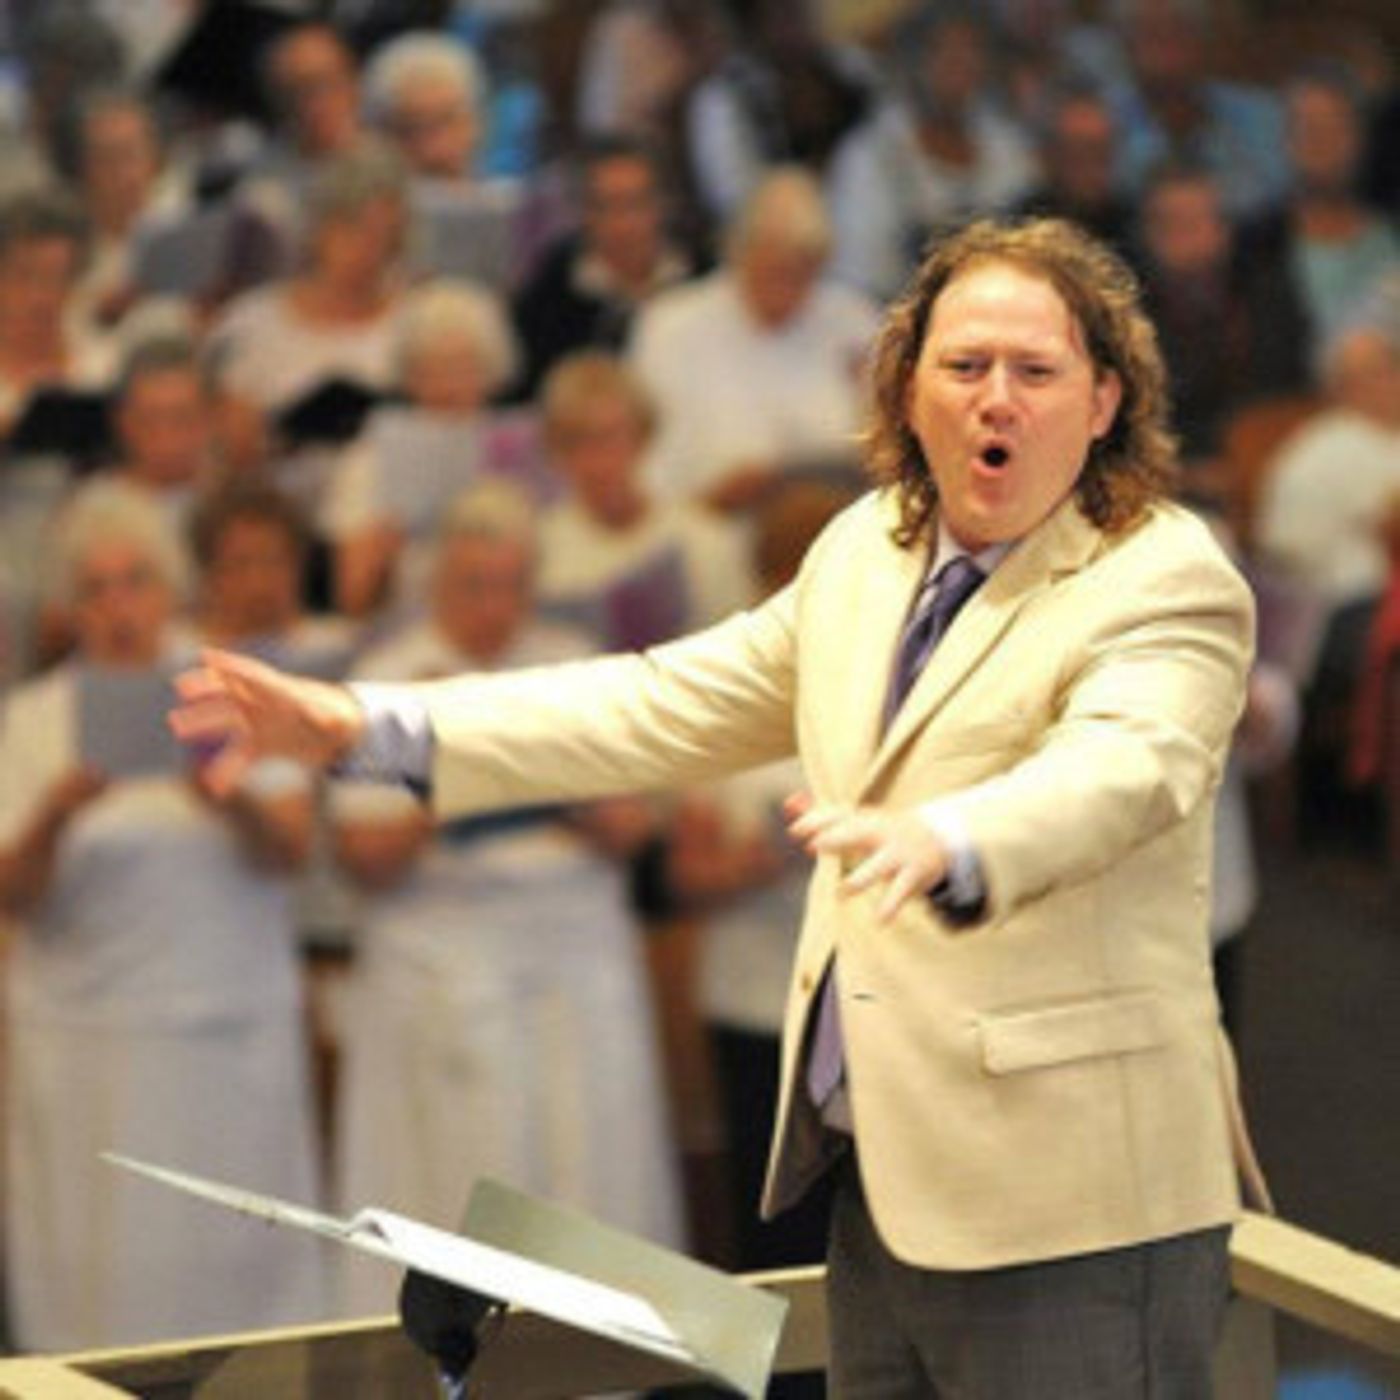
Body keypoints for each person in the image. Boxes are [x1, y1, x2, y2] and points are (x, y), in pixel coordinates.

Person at [172, 217, 1268, 1397]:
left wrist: (953, 835)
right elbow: (654, 702)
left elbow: (1123, 767)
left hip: (1076, 1213)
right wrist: (370, 725)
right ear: (907, 389)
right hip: (887, 1189)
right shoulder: (863, 553)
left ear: (1103, 400)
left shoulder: (1162, 572)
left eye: (1034, 371)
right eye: (962, 366)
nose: (993, 399)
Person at [329, 481, 684, 1315]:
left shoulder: (567, 659)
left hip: (575, 956)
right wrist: (450, 781)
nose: (494, 607)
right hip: (443, 962)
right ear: (437, 584)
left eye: (510, 584)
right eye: (472, 586)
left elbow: (634, 826)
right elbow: (362, 854)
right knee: (466, 1174)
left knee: (590, 1164)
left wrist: (548, 782)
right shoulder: (390, 680)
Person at [0, 485, 326, 1349]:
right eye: (96, 587)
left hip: (228, 1033)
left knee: (239, 1268)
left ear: (171, 589)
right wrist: (59, 811)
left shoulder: (235, 697)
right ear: (71, 607)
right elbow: (12, 893)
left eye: (135, 581)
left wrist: (224, 796)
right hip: (90, 1044)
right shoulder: (32, 720)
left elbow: (292, 849)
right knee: (109, 1268)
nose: (118, 606)